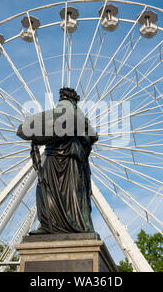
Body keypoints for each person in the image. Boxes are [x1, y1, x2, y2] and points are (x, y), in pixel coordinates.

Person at [16, 87, 98, 234]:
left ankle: (54, 226)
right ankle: (48, 226)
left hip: (66, 161)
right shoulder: (76, 120)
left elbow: (25, 130)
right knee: (50, 193)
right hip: (62, 161)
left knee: (55, 193)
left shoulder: (75, 120)